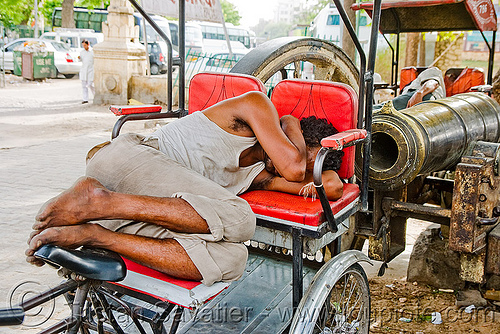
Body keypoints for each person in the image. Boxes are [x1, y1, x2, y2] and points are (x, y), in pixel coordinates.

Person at [26, 92, 344, 286]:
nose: (302, 172)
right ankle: (98, 202)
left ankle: (96, 233)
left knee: (233, 258)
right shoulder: (255, 106)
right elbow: (293, 167)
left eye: (307, 165)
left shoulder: (259, 174)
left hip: (143, 205)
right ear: (292, 137)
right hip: (123, 163)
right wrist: (290, 124)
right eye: (301, 152)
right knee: (241, 219)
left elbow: (331, 187)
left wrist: (311, 161)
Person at [375, 66, 445, 111]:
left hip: (421, 98)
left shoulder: (433, 71)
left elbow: (433, 82)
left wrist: (419, 93)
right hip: (422, 103)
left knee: (378, 110)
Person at [79, 40, 94, 104]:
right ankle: (85, 99)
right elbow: (82, 60)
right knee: (84, 85)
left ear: (88, 44)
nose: (84, 47)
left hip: (91, 70)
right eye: (83, 45)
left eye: (85, 45)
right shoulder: (82, 52)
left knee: (90, 84)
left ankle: (95, 95)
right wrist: (79, 58)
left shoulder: (92, 51)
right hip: (84, 70)